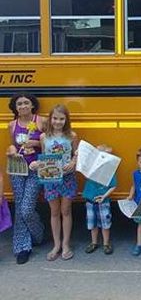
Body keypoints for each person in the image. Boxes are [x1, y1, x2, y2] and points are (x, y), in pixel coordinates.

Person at [31, 105, 78, 261]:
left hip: (67, 178)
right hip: (50, 178)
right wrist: (37, 164)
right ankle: (56, 244)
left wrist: (73, 162)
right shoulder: (44, 137)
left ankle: (66, 244)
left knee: (66, 211)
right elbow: (44, 156)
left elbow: (76, 155)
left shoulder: (71, 135)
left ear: (66, 120)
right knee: (54, 212)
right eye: (55, 118)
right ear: (50, 119)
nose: (58, 122)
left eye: (61, 119)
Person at [6, 93, 46, 264]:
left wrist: (35, 144)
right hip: (17, 168)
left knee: (26, 209)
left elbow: (50, 143)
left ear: (32, 105)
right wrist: (12, 150)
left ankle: (38, 234)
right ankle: (22, 247)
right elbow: (12, 144)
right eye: (19, 104)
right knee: (19, 207)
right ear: (15, 107)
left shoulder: (40, 121)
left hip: (35, 169)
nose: (22, 106)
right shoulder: (12, 125)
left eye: (26, 103)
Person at [82, 144, 117, 255]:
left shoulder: (109, 172)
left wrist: (104, 196)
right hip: (90, 201)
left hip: (103, 201)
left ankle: (106, 243)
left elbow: (113, 186)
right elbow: (83, 169)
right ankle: (94, 242)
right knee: (92, 223)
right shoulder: (90, 171)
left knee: (105, 223)